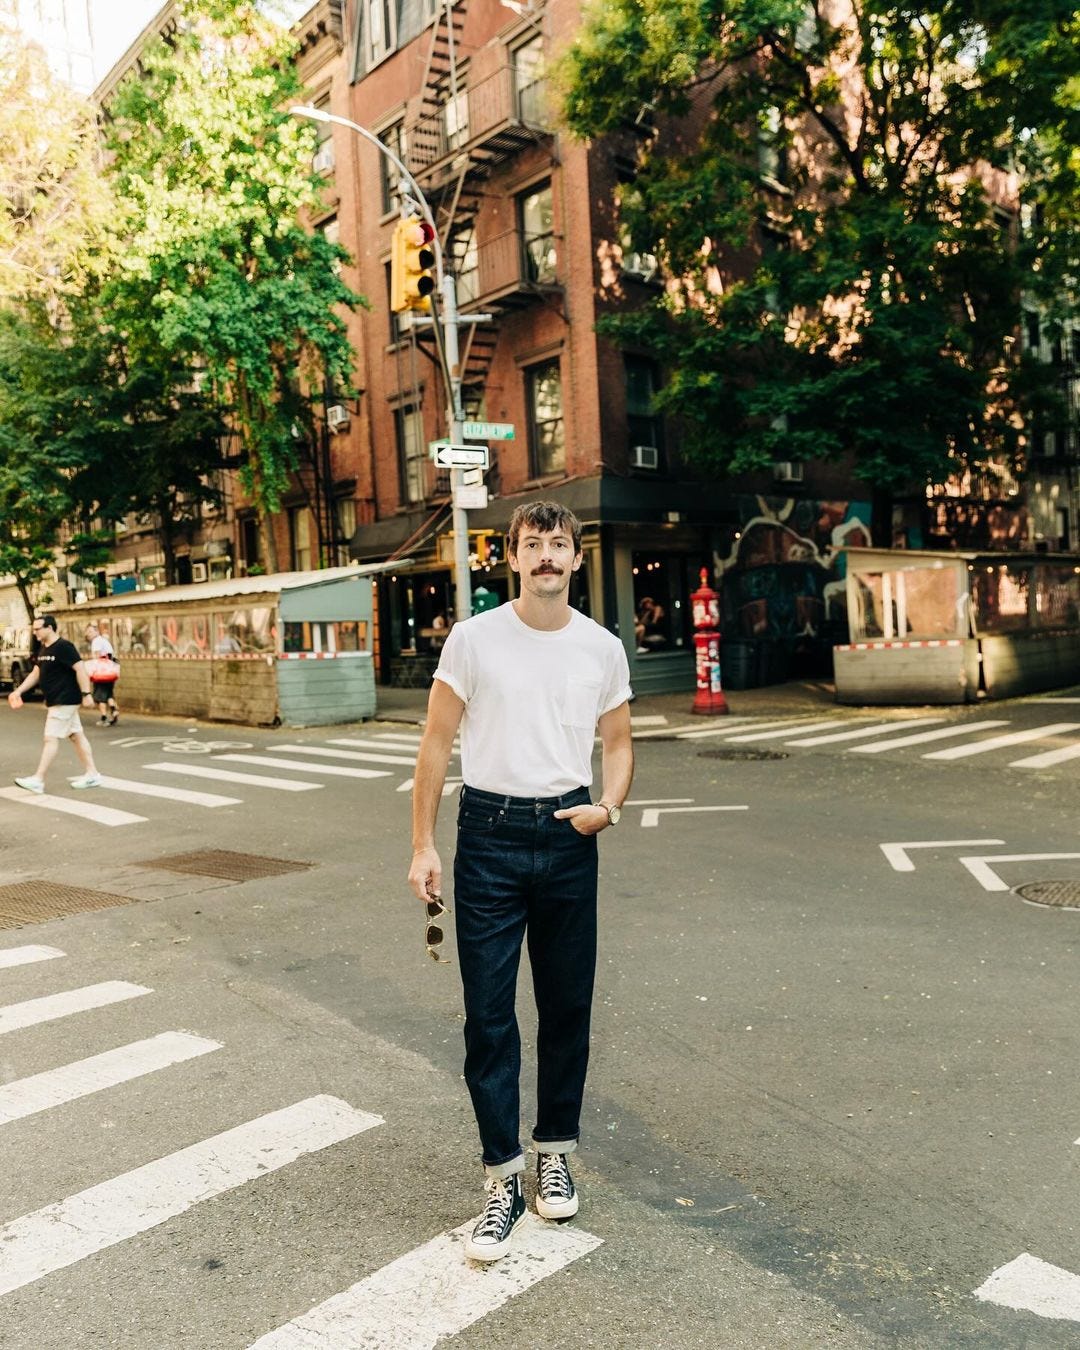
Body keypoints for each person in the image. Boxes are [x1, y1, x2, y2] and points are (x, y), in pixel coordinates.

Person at [408, 501, 634, 1263]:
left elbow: (620, 741)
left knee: (568, 1007)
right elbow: (436, 744)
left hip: (570, 838)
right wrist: (423, 847)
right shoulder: (474, 640)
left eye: (557, 545)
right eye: (531, 544)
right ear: (510, 557)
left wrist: (608, 806)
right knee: (490, 1016)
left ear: (576, 559)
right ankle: (501, 1179)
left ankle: (555, 1154)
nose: (545, 556)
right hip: (490, 839)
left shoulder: (601, 648)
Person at [7, 615, 102, 793]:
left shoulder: (64, 647)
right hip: (56, 701)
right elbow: (36, 673)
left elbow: (80, 668)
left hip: (64, 700)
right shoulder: (43, 649)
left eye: (38, 629)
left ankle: (38, 779)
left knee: (50, 738)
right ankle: (92, 774)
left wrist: (86, 693)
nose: (35, 632)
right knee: (76, 736)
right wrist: (18, 691)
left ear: (49, 628)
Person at [87, 623, 120, 726]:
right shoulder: (103, 640)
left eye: (90, 631)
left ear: (96, 632)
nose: (88, 634)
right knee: (108, 693)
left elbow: (96, 657)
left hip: (101, 673)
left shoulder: (96, 642)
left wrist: (92, 670)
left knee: (100, 695)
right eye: (88, 631)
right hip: (111, 671)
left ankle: (104, 717)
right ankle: (114, 710)